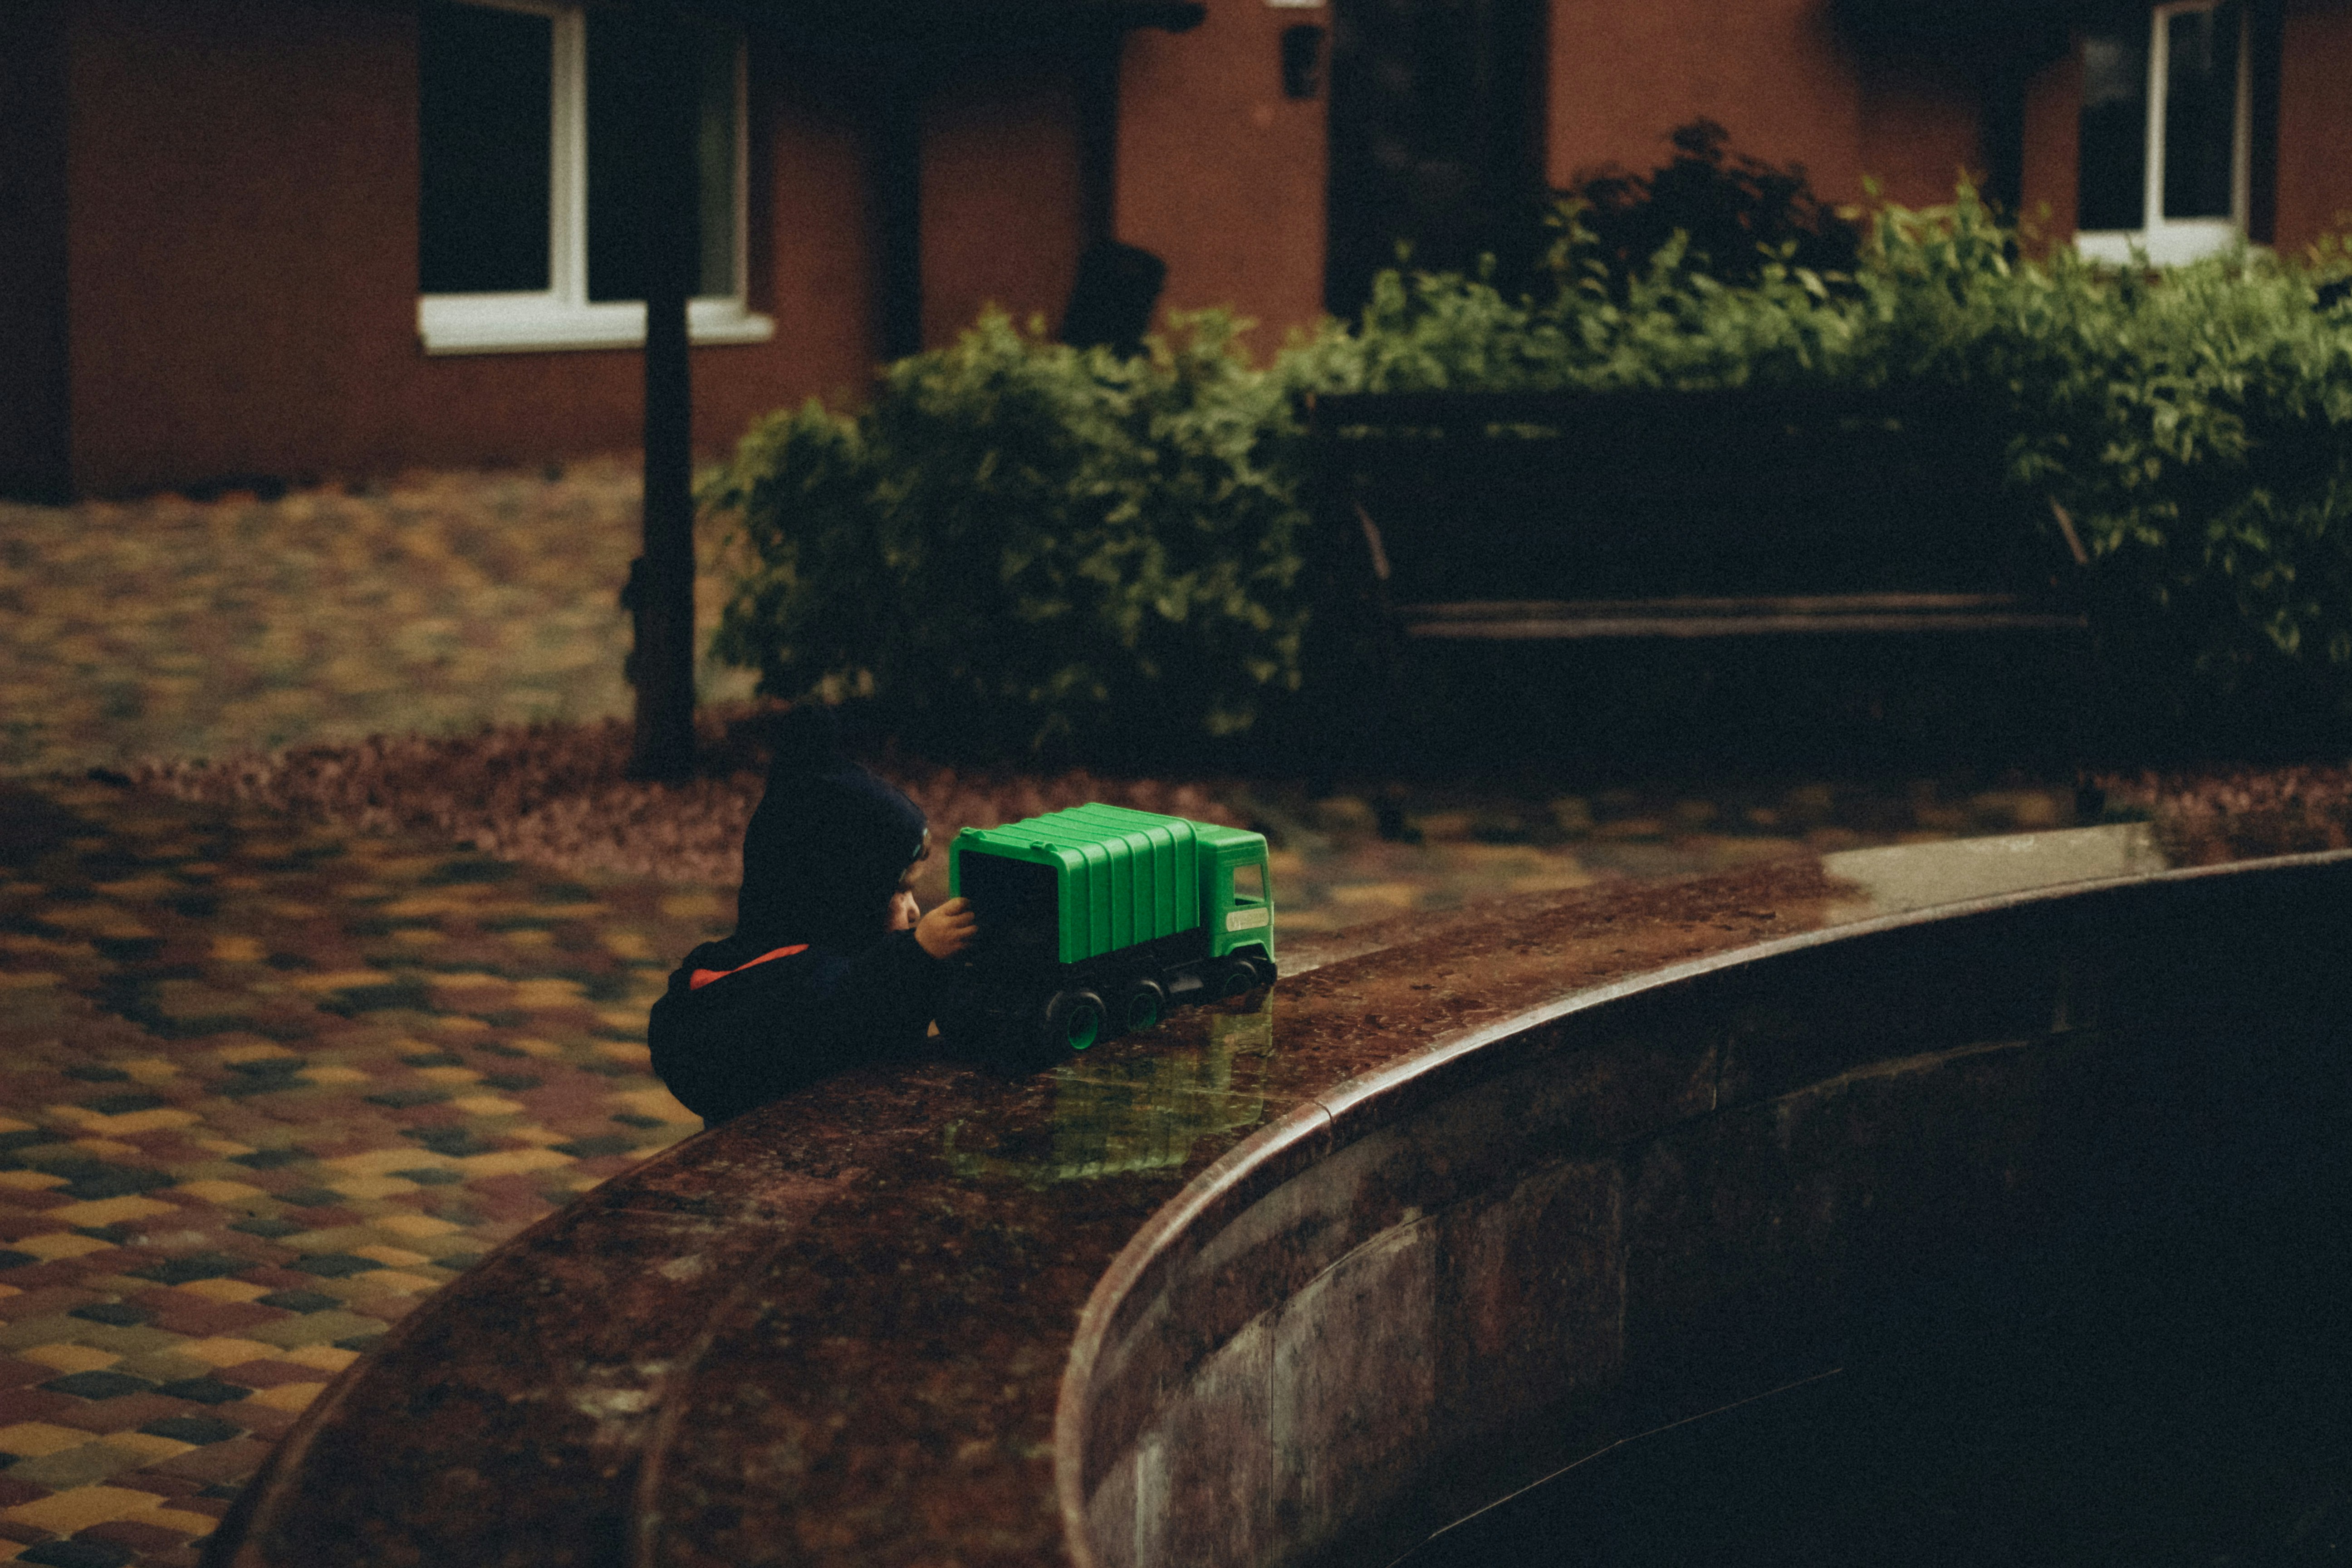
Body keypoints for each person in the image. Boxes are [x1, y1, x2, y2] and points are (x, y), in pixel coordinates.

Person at [647, 708, 976, 1126]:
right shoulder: (768, 984)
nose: (915, 910)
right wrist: (916, 958)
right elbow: (835, 1005)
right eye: (899, 890)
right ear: (843, 891)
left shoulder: (857, 965)